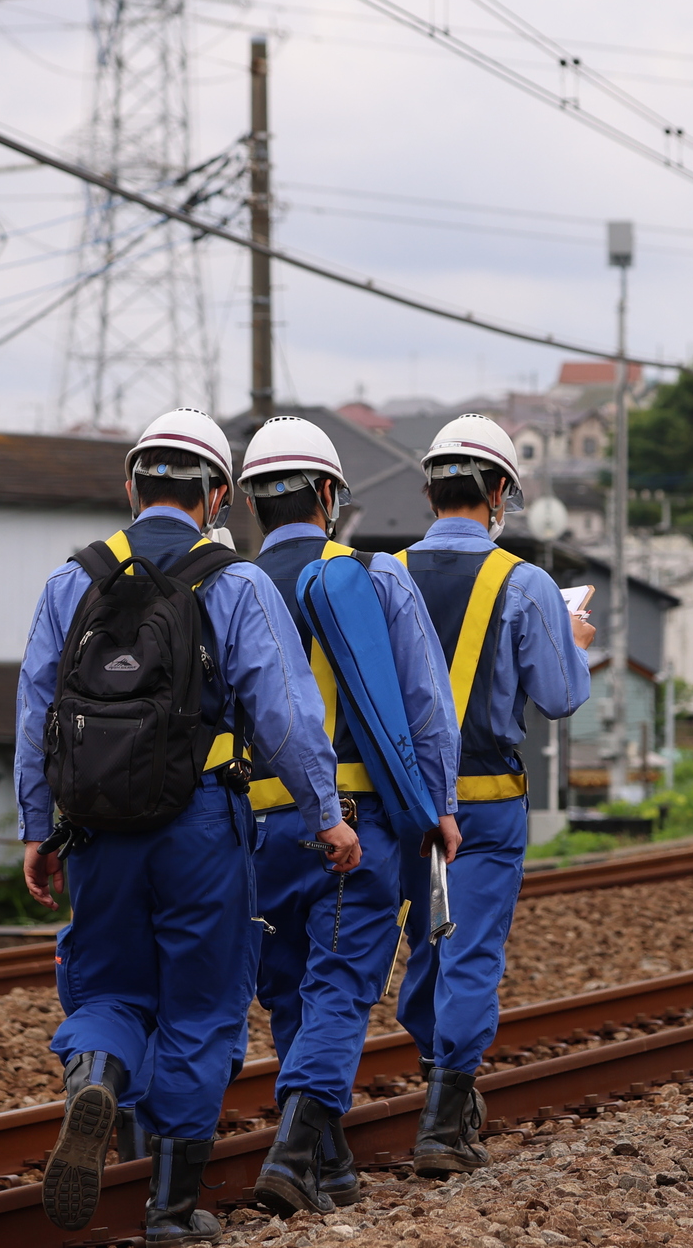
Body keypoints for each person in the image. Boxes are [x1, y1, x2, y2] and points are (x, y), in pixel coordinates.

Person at [17, 408, 358, 1246]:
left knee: (106, 987)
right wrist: (326, 814)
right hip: (202, 823)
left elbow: (34, 710)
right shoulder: (233, 583)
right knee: (203, 1010)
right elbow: (286, 715)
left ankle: (95, 1072)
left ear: (132, 485)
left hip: (95, 828)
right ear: (215, 496)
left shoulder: (73, 580)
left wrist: (36, 826)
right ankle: (169, 1207)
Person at [237, 416, 460, 1216]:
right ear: (329, 496)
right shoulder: (372, 574)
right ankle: (293, 1152)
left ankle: (329, 1168)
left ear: (253, 504)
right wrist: (441, 808)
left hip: (253, 826)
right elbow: (426, 703)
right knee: (339, 989)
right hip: (353, 823)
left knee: (291, 991)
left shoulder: (227, 586)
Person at [396, 413, 593, 1175]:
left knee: (421, 949)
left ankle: (435, 1078)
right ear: (501, 491)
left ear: (429, 487)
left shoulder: (384, 571)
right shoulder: (528, 583)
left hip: (401, 800)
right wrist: (574, 644)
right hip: (483, 797)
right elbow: (559, 697)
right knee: (469, 953)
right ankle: (445, 1120)